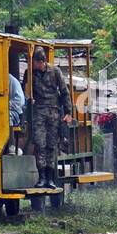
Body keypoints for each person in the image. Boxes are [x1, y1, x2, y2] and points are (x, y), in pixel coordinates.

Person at [29, 46, 72, 188]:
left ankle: (50, 178)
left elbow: (64, 92)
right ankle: (41, 177)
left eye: (35, 62)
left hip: (54, 112)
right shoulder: (30, 73)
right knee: (39, 144)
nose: (33, 65)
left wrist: (68, 112)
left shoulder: (55, 71)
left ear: (41, 61)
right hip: (39, 111)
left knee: (51, 145)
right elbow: (26, 91)